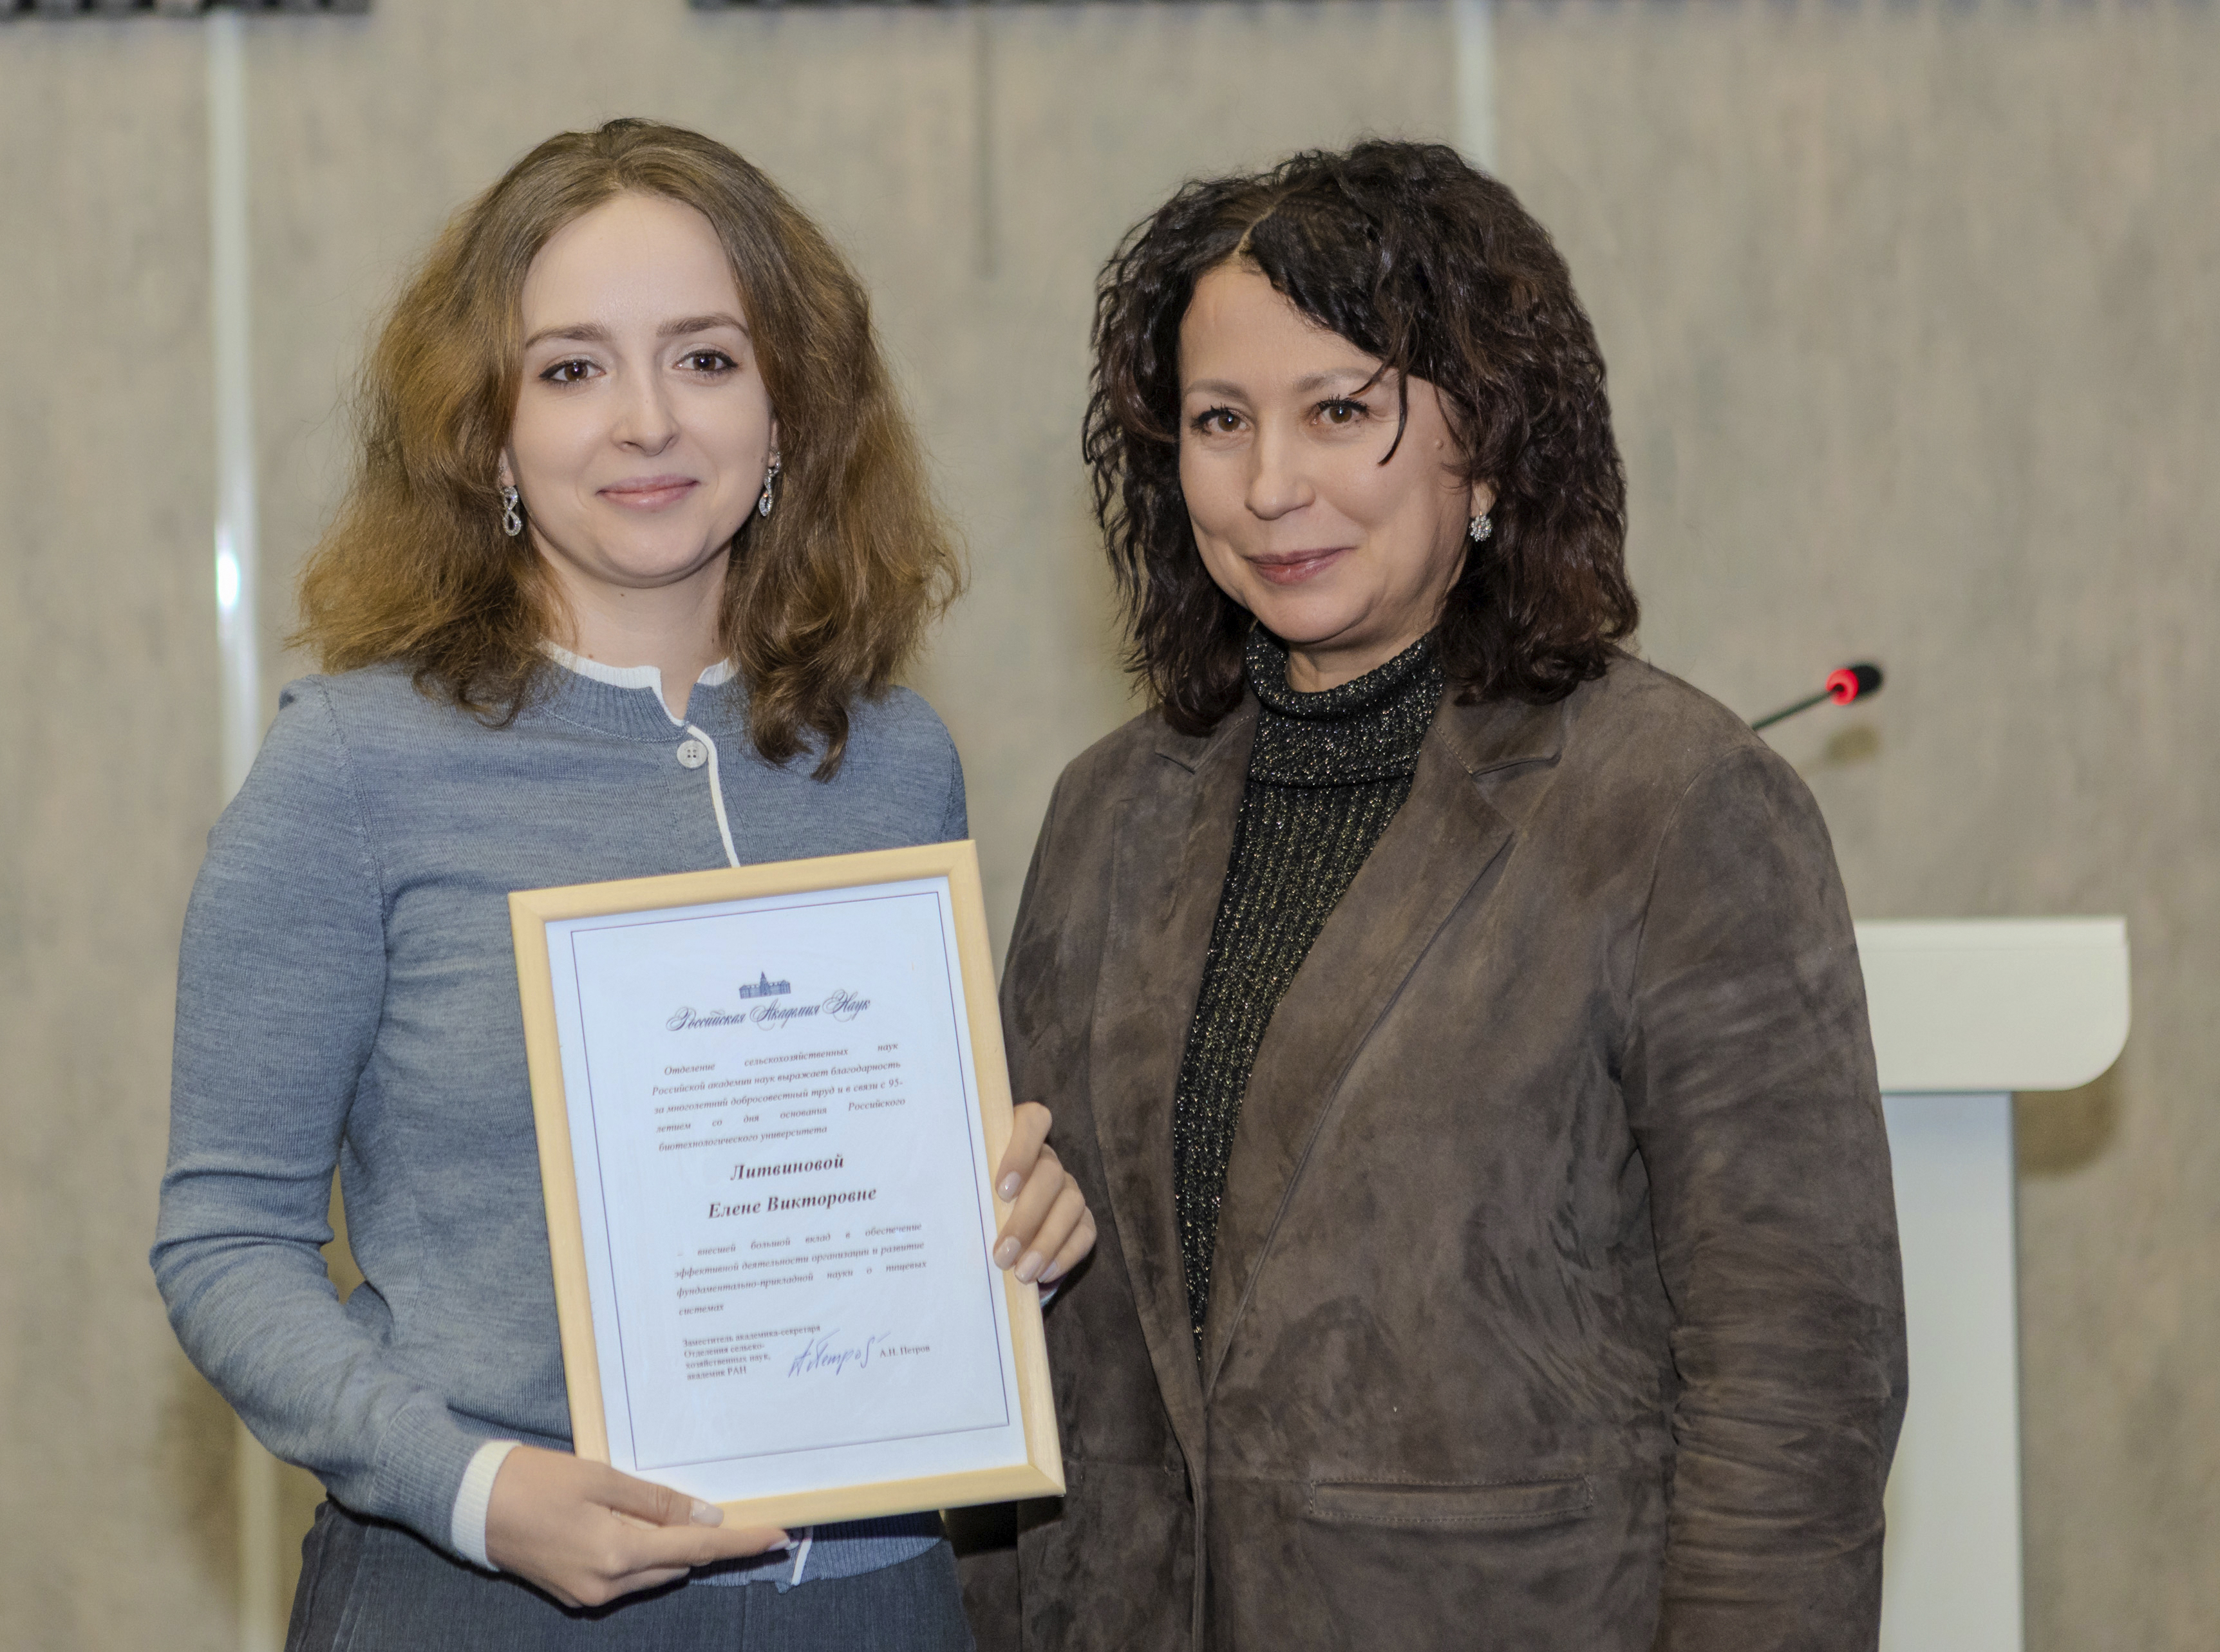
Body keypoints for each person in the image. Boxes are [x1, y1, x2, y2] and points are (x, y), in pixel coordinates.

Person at [151, 119, 1093, 1651]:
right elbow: (225, 1242)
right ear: (489, 432)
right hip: (474, 1600)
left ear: (788, 411)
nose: (645, 421)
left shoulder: (894, 761)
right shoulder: (351, 771)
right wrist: (473, 1490)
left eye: (706, 359)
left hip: (870, 1604)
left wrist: (1009, 1231)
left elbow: (882, 1192)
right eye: (572, 368)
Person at [978, 140, 1905, 1650]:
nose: (1270, 485)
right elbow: (1034, 1322)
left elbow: (1796, 1385)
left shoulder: (1675, 803)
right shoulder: (1107, 809)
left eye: (1340, 412)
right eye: (1219, 421)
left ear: (1485, 446)